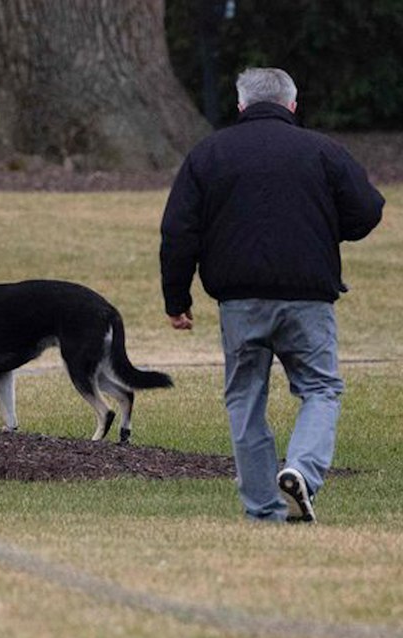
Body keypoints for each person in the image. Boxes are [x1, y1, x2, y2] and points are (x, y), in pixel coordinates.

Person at [160, 67, 385, 523]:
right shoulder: (322, 150)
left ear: (240, 105)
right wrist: (323, 230)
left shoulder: (210, 154)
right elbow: (368, 209)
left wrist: (176, 298)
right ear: (292, 105)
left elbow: (178, 231)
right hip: (308, 297)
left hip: (239, 300)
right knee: (320, 387)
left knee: (245, 396)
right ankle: (301, 469)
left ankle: (263, 510)